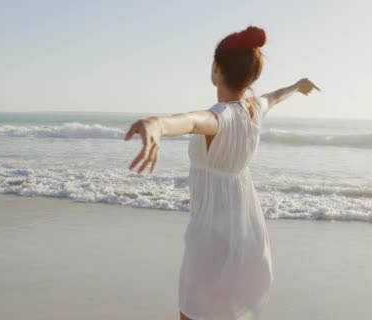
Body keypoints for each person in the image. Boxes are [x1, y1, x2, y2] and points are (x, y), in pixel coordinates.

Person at [124, 26, 320, 320]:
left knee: (193, 312)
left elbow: (191, 120)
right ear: (253, 76)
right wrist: (298, 85)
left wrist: (157, 124)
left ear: (216, 69)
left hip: (210, 238)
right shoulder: (255, 109)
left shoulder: (221, 116)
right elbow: (275, 96)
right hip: (247, 231)